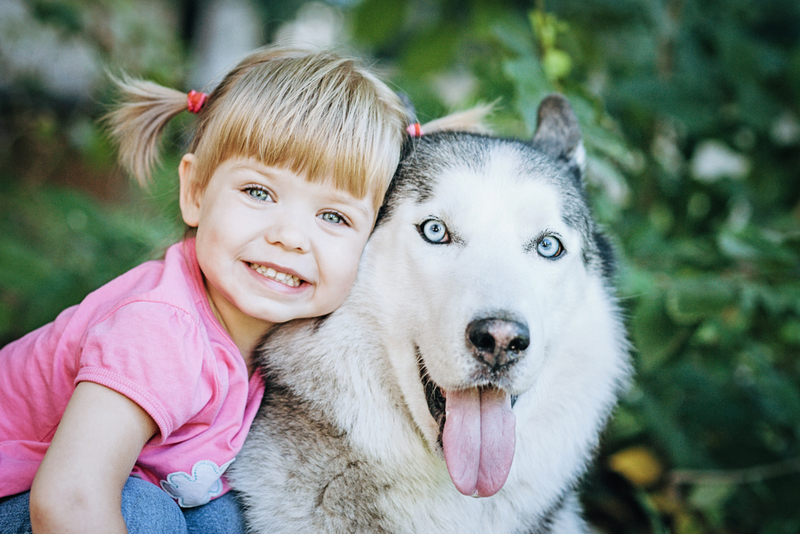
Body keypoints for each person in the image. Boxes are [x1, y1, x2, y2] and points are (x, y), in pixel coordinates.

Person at [0, 45, 408, 534]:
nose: (290, 236)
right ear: (195, 192)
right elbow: (67, 501)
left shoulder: (272, 339)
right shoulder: (160, 331)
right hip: (36, 503)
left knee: (225, 513)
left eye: (333, 216)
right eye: (259, 192)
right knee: (145, 511)